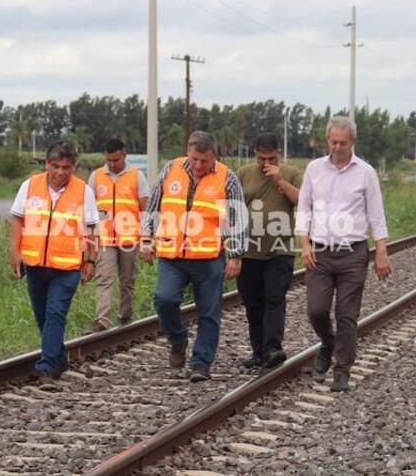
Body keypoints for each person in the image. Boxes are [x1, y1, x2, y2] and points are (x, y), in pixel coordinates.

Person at [294, 116, 392, 393]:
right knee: (316, 310)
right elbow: (304, 209)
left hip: (353, 253)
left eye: (343, 143)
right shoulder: (314, 169)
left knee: (347, 315)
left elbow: (376, 214)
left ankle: (342, 370)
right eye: (333, 142)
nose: (337, 147)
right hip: (320, 253)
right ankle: (328, 342)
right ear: (328, 140)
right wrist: (304, 244)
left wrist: (381, 251)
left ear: (353, 142)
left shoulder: (365, 173)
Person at [141, 131, 248, 382]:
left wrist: (235, 254)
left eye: (204, 160)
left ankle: (201, 363)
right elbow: (152, 206)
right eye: (194, 159)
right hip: (172, 255)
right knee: (164, 299)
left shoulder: (227, 178)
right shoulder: (171, 169)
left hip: (209, 257)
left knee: (208, 312)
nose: (198, 165)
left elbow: (238, 219)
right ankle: (178, 339)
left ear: (214, 156)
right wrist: (146, 238)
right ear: (188, 152)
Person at [8, 142, 99, 384]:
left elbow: (91, 229)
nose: (60, 172)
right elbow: (18, 221)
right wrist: (13, 252)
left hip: (67, 268)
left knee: (56, 313)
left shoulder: (83, 191)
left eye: (66, 167)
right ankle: (58, 357)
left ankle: (46, 367)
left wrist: (90, 261)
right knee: (43, 317)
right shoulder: (30, 186)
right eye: (55, 166)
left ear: (74, 167)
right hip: (35, 264)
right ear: (46, 164)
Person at [236, 132, 302, 370]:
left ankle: (273, 348)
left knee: (275, 298)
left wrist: (280, 180)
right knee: (253, 304)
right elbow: (233, 207)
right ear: (255, 154)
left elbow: (303, 202)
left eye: (271, 158)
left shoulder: (292, 173)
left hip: (279, 250)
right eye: (262, 158)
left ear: (279, 154)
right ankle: (258, 352)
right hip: (249, 252)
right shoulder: (244, 173)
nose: (266, 163)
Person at [86, 138, 149, 333]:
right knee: (104, 278)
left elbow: (145, 209)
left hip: (130, 239)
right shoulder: (96, 177)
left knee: (128, 280)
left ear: (124, 156)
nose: (112, 164)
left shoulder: (137, 176)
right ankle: (102, 320)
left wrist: (146, 237)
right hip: (105, 239)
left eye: (116, 160)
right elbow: (89, 211)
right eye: (109, 160)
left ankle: (125, 316)